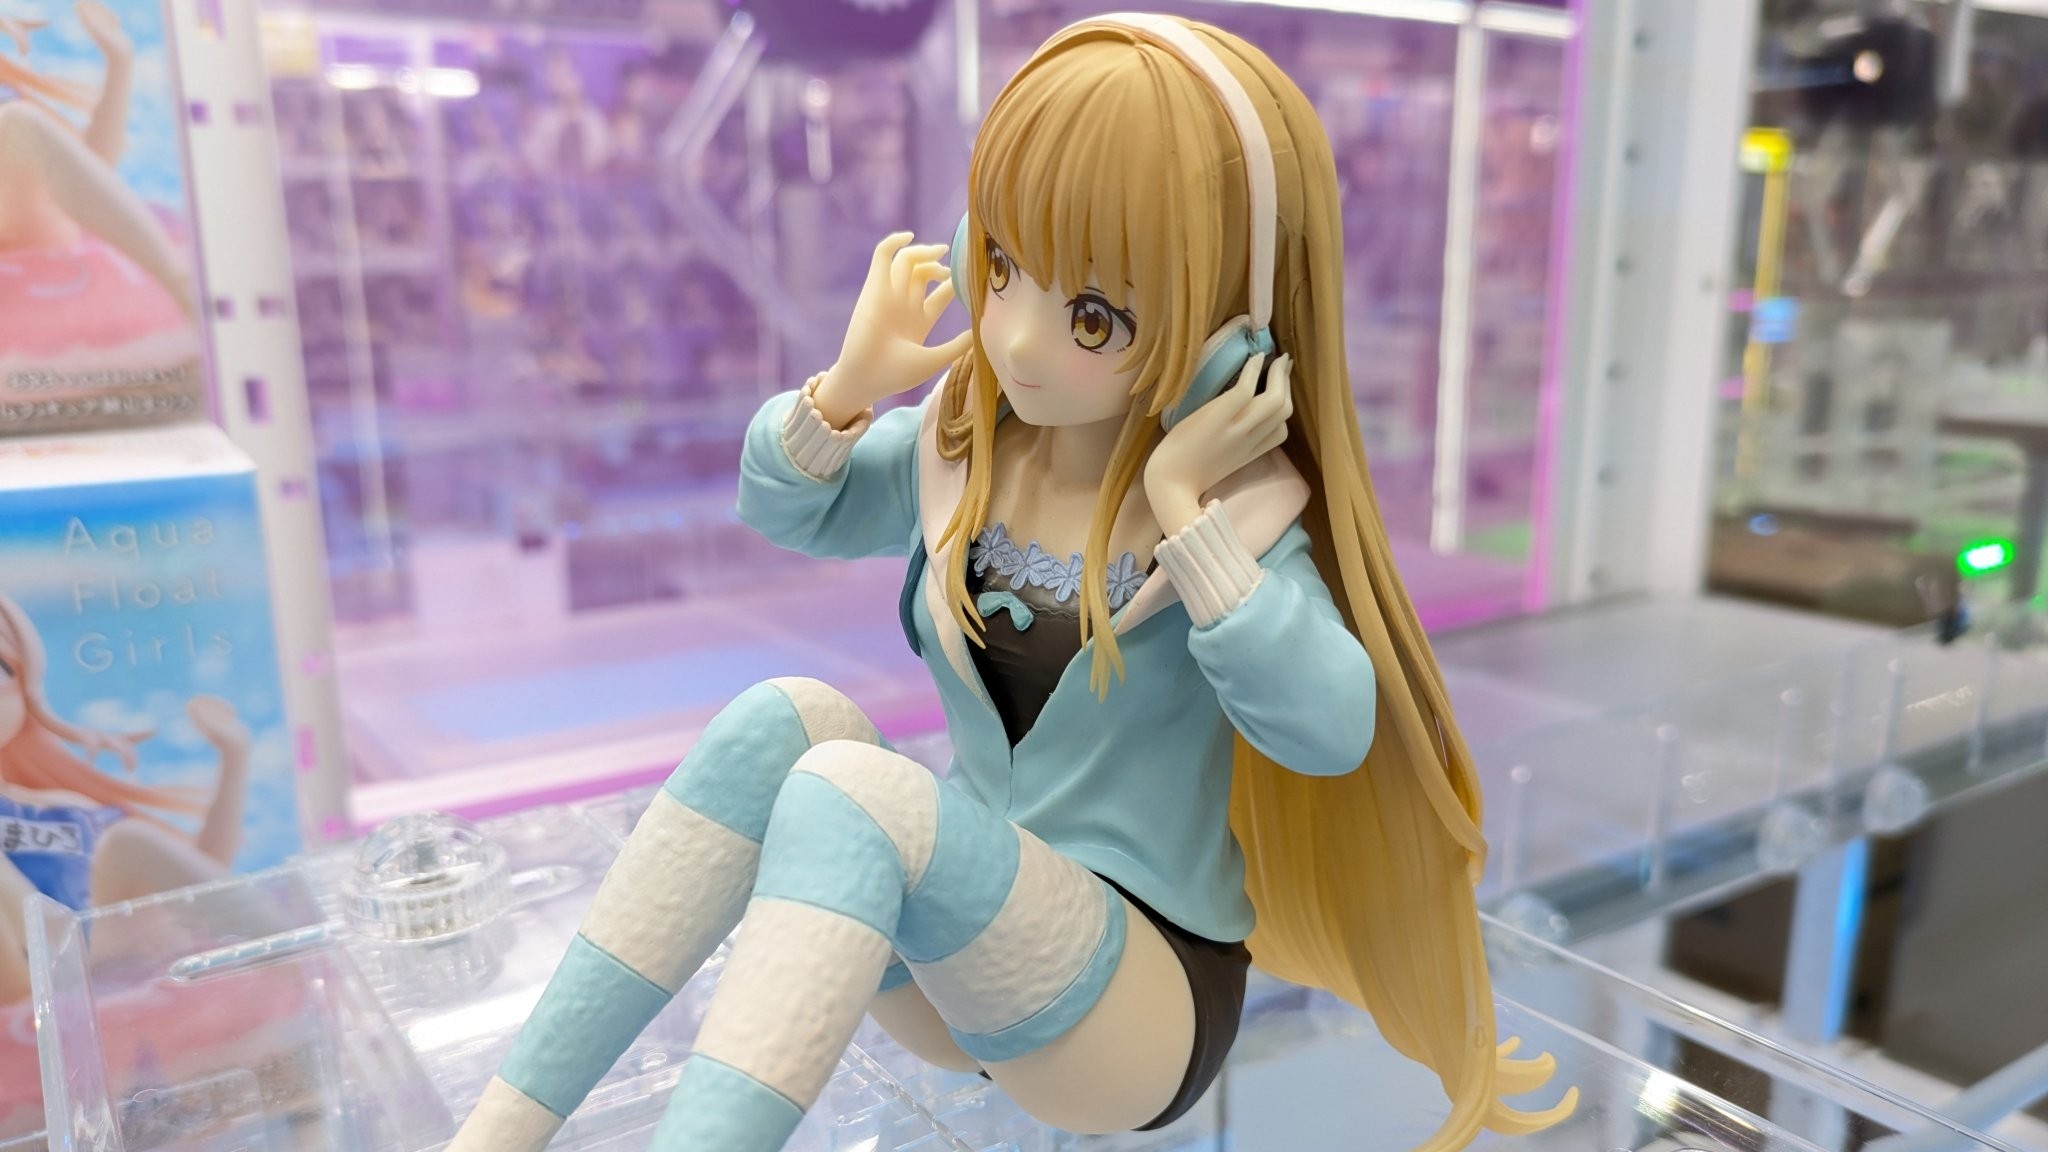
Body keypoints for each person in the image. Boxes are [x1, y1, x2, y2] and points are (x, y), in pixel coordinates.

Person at [451, 14, 1575, 1152]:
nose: (1022, 340)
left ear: (1229, 345)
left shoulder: (1239, 521)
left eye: (1094, 316)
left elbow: (1329, 730)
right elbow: (788, 507)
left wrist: (1187, 510)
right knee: (778, 723)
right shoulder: (969, 450)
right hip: (970, 956)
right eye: (1000, 268)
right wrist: (847, 389)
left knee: (853, 792)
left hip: (1139, 1002)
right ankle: (491, 1134)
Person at [0, 592, 251, 1004]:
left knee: (131, 845)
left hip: (116, 971)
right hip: (38, 999)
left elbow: (200, 883)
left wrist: (234, 755)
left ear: (26, 687)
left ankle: (296, 974)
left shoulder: (66, 809)